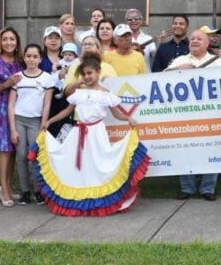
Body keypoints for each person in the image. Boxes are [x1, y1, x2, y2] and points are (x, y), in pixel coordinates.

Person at [32, 53, 149, 216]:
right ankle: (79, 198)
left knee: (98, 165)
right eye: (84, 74)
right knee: (78, 167)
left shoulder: (106, 94)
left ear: (98, 72)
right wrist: (50, 121)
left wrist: (127, 118)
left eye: (90, 73)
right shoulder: (78, 94)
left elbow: (116, 113)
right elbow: (68, 110)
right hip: (78, 133)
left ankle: (99, 200)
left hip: (96, 134)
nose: (87, 77)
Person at [165, 29, 221, 200]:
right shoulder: (180, 60)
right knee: (185, 149)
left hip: (211, 114)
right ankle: (187, 188)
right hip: (186, 115)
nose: (195, 41)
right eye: (192, 39)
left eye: (199, 39)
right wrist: (182, 69)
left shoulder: (217, 62)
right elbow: (161, 79)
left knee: (211, 148)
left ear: (207, 43)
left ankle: (208, 188)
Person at [9, 44, 56, 205]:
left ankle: (38, 191)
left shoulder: (46, 78)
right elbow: (11, 104)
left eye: (35, 56)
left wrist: (44, 123)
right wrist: (13, 129)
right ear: (24, 58)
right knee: (21, 156)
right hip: (19, 120)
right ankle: (25, 191)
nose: (31, 59)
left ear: (40, 59)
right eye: (28, 56)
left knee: (35, 155)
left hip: (36, 121)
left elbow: (47, 103)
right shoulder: (18, 77)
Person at [0, 27, 24, 207]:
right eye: (5, 39)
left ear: (17, 42)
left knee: (13, 147)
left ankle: (8, 185)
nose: (9, 42)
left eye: (12, 39)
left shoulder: (20, 62)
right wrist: (7, 84)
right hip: (0, 109)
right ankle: (3, 187)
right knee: (4, 149)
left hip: (17, 108)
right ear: (0, 42)